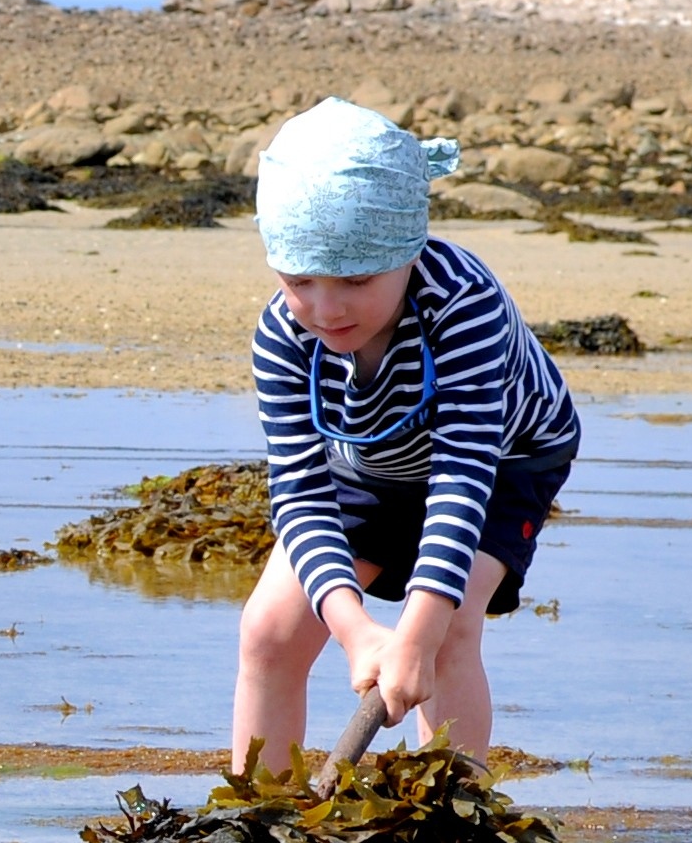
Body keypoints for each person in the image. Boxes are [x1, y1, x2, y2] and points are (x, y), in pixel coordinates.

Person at [232, 98, 583, 771]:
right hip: (368, 460)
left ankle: (454, 824)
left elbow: (462, 476)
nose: (327, 309)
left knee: (447, 632)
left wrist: (414, 638)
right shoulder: (283, 335)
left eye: (357, 281)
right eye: (300, 279)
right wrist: (355, 629)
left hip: (505, 458)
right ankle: (261, 821)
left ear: (407, 252)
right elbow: (302, 496)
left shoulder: (462, 305)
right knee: (270, 631)